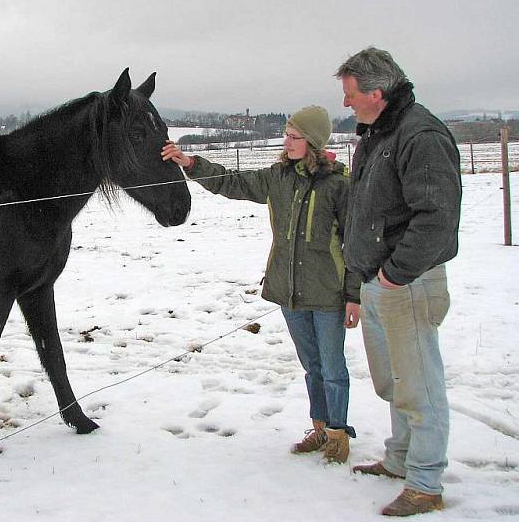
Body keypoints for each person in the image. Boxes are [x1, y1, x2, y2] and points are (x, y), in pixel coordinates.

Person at [162, 105, 361, 464]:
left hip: (329, 293)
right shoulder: (278, 177)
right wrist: (191, 164)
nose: (287, 142)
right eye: (286, 134)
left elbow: (354, 244)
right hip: (289, 291)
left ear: (313, 142)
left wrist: (354, 296)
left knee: (333, 368)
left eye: (295, 136)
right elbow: (233, 182)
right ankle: (319, 428)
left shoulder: (339, 184)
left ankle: (337, 434)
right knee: (312, 366)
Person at [336, 47, 461, 516]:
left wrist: (395, 273)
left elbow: (437, 217)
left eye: (349, 95)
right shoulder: (379, 133)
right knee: (393, 381)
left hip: (407, 282)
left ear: (376, 91)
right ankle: (400, 459)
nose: (346, 104)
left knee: (420, 384)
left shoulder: (420, 134)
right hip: (378, 280)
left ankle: (425, 484)